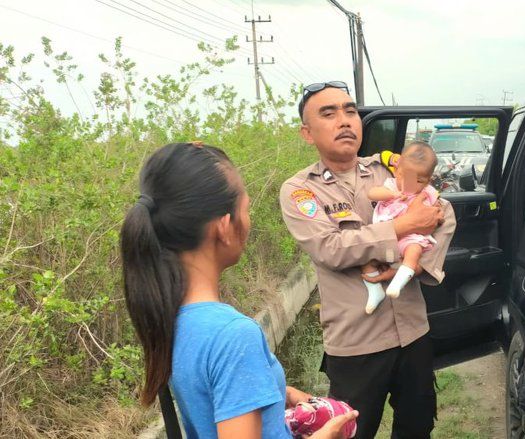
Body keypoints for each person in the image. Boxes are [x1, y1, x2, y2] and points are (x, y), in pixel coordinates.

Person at [121, 142, 358, 439]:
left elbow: (210, 394)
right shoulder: (234, 335)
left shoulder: (175, 317)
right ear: (223, 226)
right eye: (245, 210)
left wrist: (273, 390)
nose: (249, 220)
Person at [280, 82, 457, 438]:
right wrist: (402, 226)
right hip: (356, 342)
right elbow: (330, 248)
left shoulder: (389, 169)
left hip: (412, 332)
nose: (344, 120)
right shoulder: (301, 190)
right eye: (328, 113)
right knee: (351, 432)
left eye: (350, 111)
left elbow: (443, 211)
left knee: (417, 426)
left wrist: (416, 264)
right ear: (307, 133)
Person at [361, 141, 440, 314]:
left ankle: (399, 281)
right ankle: (375, 291)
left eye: (419, 180)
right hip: (384, 238)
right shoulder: (391, 185)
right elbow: (371, 193)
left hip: (410, 237)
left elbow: (438, 212)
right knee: (367, 260)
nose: (410, 184)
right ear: (397, 170)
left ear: (428, 180)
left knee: (414, 250)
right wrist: (392, 194)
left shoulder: (427, 192)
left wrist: (437, 215)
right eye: (406, 177)